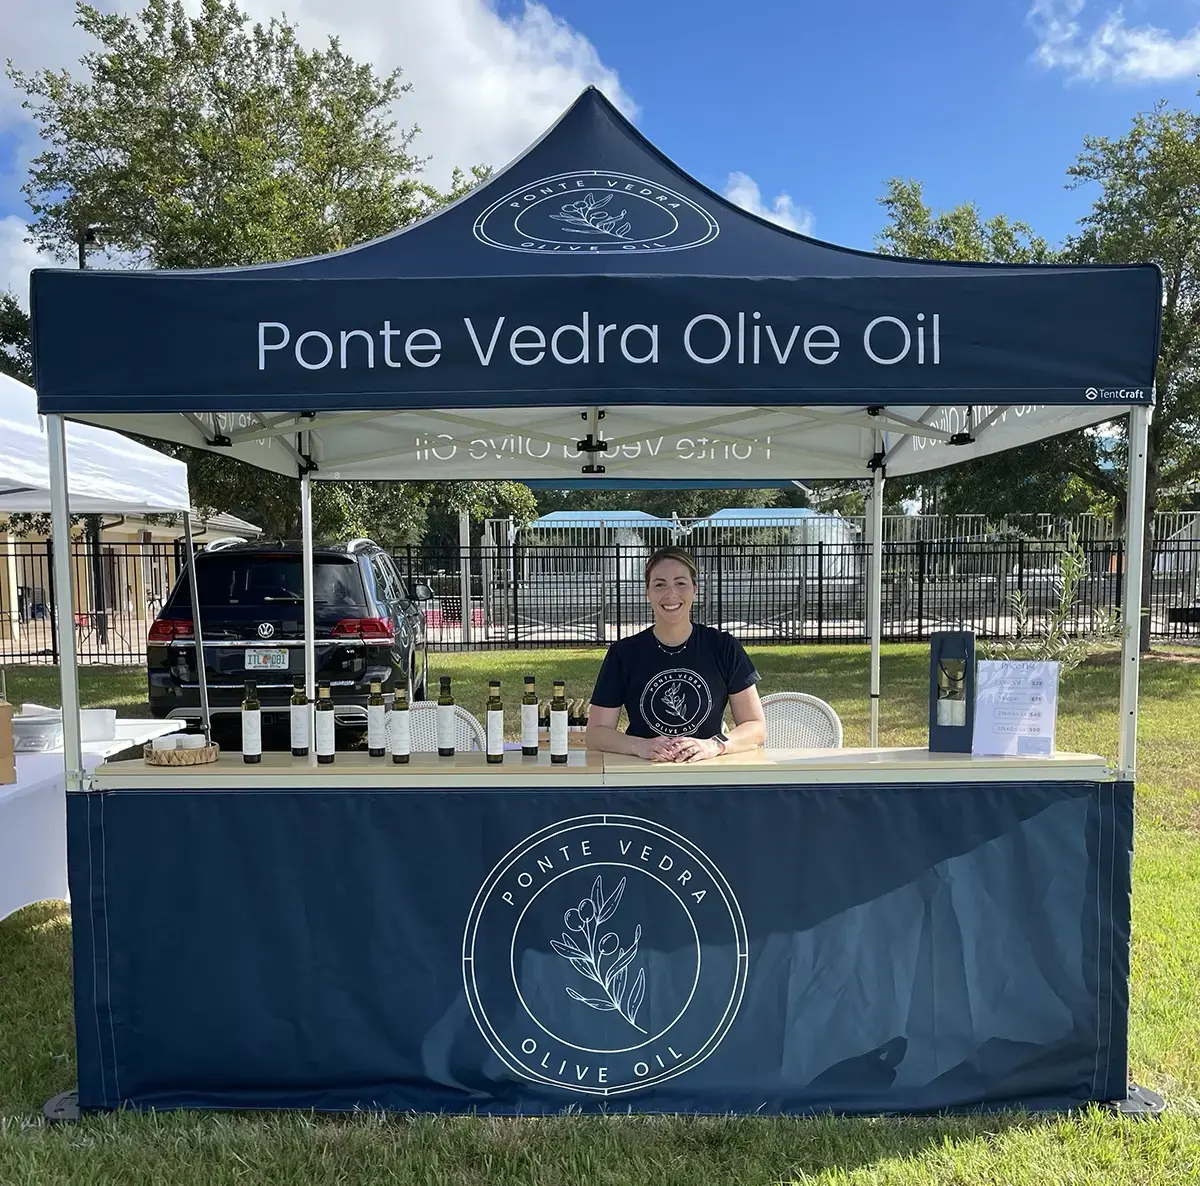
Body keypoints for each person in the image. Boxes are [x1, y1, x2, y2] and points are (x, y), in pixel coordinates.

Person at [586, 546, 767, 762]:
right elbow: (596, 733)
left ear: (695, 589)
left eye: (680, 583)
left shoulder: (724, 647)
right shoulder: (623, 653)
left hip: (707, 777)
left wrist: (714, 745)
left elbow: (756, 727)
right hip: (642, 778)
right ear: (648, 593)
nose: (671, 594)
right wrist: (639, 745)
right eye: (660, 584)